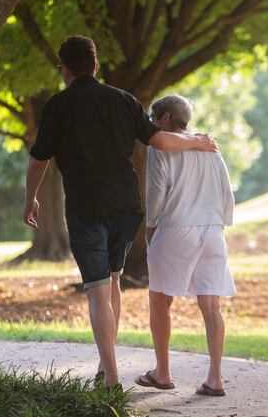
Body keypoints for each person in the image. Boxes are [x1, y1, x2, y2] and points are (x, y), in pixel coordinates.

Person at [23, 36, 218, 389]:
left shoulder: (58, 105)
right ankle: (104, 363)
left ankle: (111, 379)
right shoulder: (123, 100)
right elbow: (160, 139)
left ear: (65, 70)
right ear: (95, 65)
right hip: (126, 208)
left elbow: (39, 161)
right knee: (112, 280)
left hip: (86, 207)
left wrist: (30, 200)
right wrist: (197, 141)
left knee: (98, 289)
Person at [135, 95, 236, 396]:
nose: (152, 124)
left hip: (175, 227)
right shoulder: (210, 148)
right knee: (211, 305)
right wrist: (219, 222)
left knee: (160, 301)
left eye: (154, 118)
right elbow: (225, 191)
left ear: (165, 118)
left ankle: (162, 373)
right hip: (212, 229)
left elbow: (156, 194)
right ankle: (215, 378)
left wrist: (150, 232)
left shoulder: (160, 147)